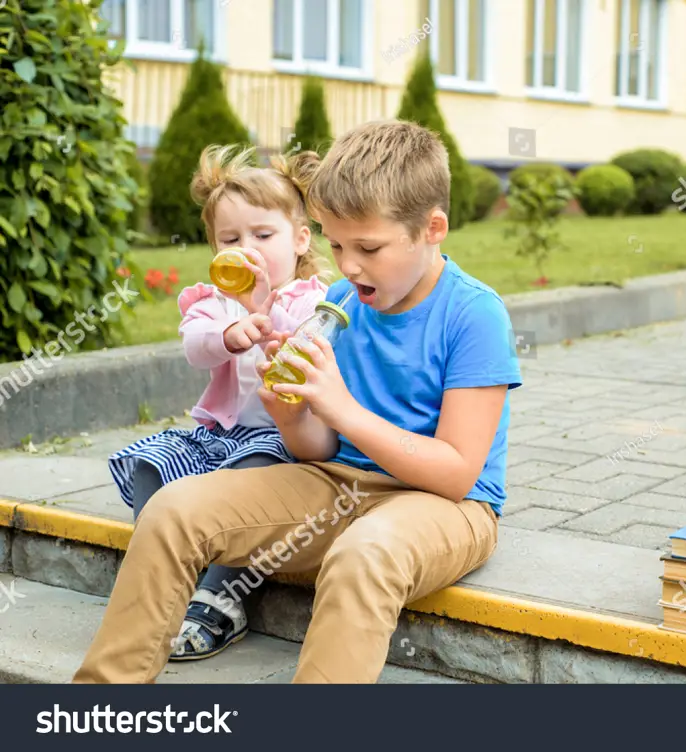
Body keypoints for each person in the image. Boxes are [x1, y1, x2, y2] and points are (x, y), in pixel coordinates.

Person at [73, 119, 522, 684]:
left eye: (369, 247)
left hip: (448, 507)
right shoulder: (339, 300)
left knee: (364, 554)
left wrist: (340, 407)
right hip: (337, 482)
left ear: (433, 228)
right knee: (173, 509)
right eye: (336, 244)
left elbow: (456, 472)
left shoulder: (473, 313)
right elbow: (318, 448)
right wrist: (293, 413)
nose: (349, 264)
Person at [106, 144, 329, 661]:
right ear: (216, 248)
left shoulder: (313, 301)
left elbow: (309, 349)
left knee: (249, 482)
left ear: (299, 240)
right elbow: (195, 347)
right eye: (231, 238)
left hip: (279, 440)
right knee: (151, 464)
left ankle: (219, 599)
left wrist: (267, 314)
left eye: (263, 235)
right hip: (218, 435)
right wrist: (232, 332)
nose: (247, 247)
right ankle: (162, 576)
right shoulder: (213, 302)